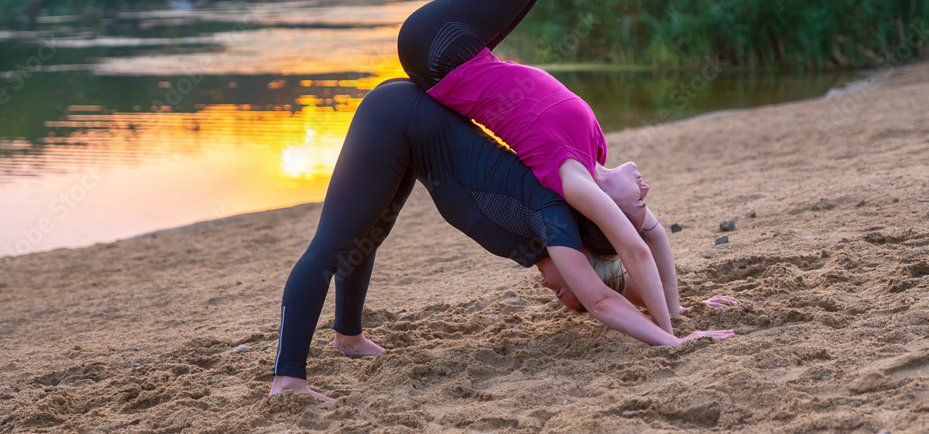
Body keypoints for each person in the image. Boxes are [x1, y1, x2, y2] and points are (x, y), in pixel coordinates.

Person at [397, 0, 714, 335]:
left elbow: (631, 245)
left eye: (641, 201)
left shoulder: (573, 179)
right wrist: (674, 310)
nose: (648, 190)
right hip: (464, 53)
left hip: (438, 49)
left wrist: (672, 336)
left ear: (609, 208)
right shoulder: (593, 155)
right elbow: (650, 238)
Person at [270, 79, 735, 402]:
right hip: (396, 118)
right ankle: (288, 378)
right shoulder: (554, 218)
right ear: (582, 254)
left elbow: (610, 283)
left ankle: (349, 337)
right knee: (333, 246)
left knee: (367, 234)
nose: (553, 292)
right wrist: (677, 341)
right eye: (562, 288)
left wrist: (671, 310)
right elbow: (601, 298)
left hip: (414, 131)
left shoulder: (553, 231)